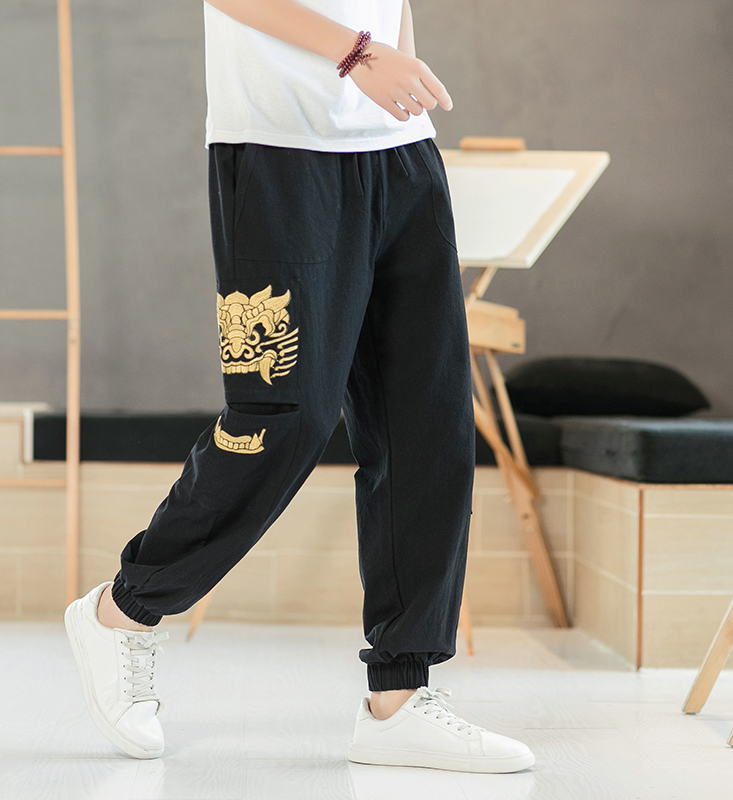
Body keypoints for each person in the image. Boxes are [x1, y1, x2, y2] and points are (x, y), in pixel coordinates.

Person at [65, 0, 535, 773]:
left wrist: (399, 79)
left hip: (402, 152)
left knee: (427, 422)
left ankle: (399, 697)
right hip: (278, 154)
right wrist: (360, 55)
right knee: (284, 416)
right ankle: (124, 611)